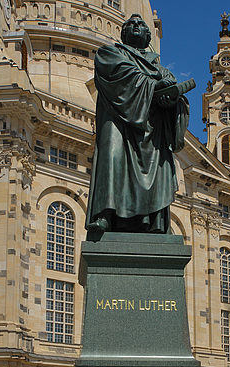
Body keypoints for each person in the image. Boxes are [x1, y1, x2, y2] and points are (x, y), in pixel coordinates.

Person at [85, 14, 189, 234]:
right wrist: (153, 86)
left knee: (157, 162)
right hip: (119, 123)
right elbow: (119, 76)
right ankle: (105, 214)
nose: (135, 26)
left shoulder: (163, 70)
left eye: (141, 24)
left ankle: (151, 222)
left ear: (148, 34)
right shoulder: (110, 53)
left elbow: (174, 101)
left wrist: (170, 101)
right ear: (123, 33)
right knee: (111, 155)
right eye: (130, 24)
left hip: (152, 132)